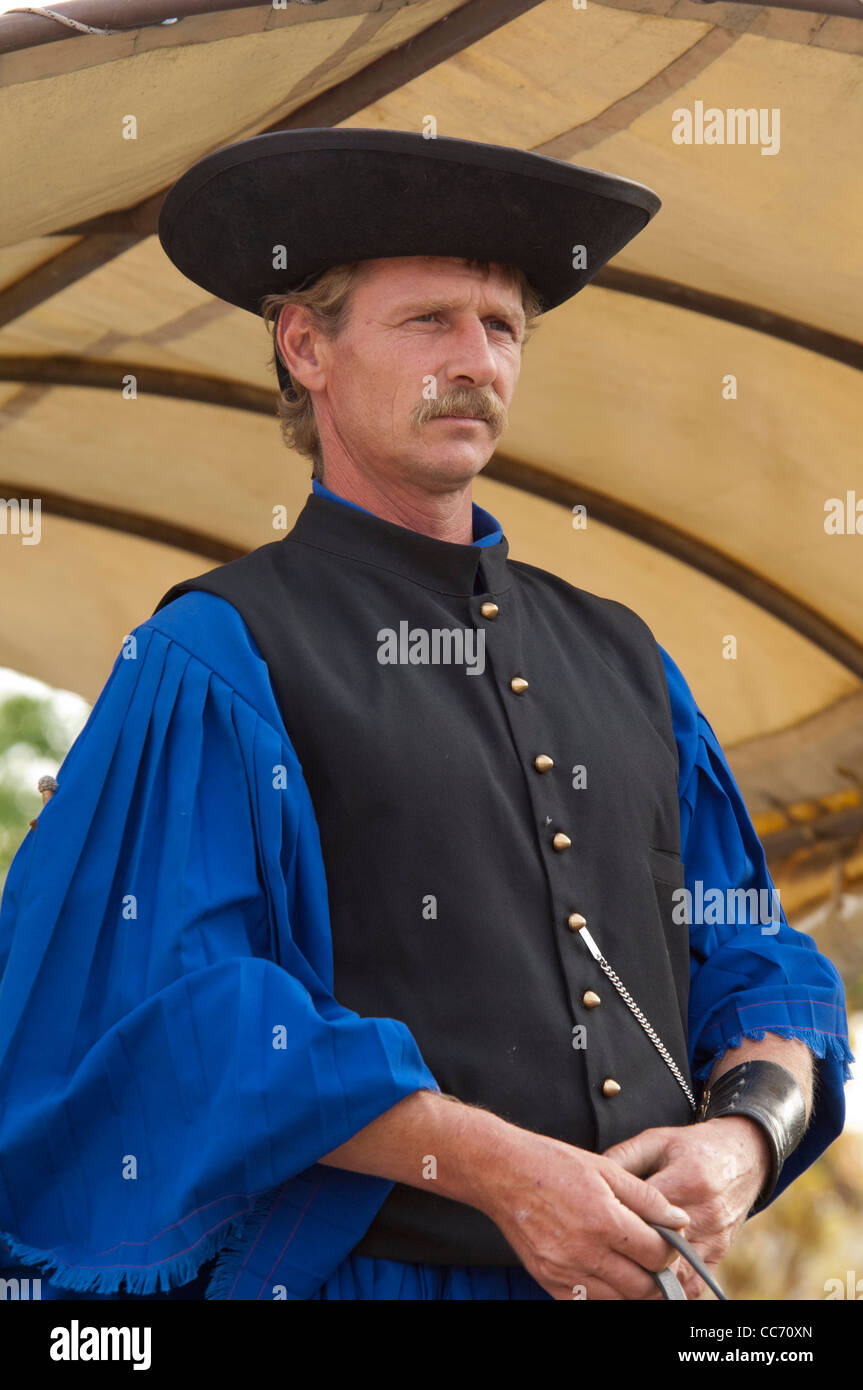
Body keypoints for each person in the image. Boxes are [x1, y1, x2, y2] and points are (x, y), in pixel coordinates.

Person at [0, 130, 850, 1302]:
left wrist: (746, 1131)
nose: (477, 361)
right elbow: (187, 1000)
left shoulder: (628, 656)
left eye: (501, 327)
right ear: (306, 345)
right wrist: (498, 1168)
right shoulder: (213, 650)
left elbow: (749, 949)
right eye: (428, 322)